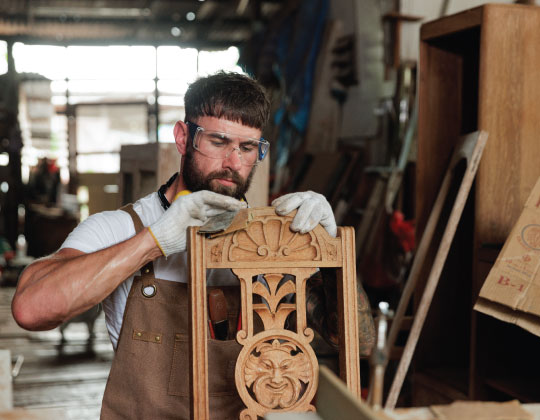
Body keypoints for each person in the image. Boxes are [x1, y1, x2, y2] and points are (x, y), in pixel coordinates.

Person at [12, 72, 374, 419]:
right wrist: (153, 241)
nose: (233, 163)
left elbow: (360, 344)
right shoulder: (121, 228)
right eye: (218, 142)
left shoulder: (272, 240)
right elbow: (31, 309)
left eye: (247, 148)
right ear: (184, 137)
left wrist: (331, 255)